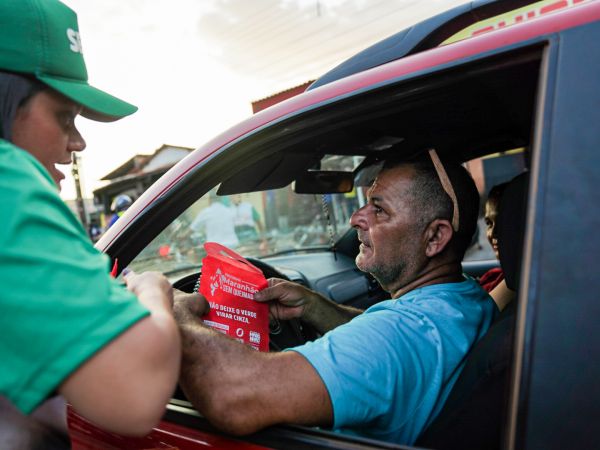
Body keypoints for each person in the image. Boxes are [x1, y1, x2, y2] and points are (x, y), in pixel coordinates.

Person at [173, 151, 496, 445]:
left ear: (435, 237)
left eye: (379, 210)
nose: (356, 218)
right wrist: (314, 306)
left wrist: (176, 313)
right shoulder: (464, 297)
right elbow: (388, 346)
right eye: (367, 202)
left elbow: (235, 397)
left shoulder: (401, 332)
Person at [0, 0, 181, 446]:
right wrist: (152, 294)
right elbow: (133, 393)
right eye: (64, 117)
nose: (77, 142)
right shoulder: (10, 183)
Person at [479, 182, 509, 292]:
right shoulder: (495, 277)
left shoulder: (515, 282)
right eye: (489, 223)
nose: (493, 233)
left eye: (502, 222)